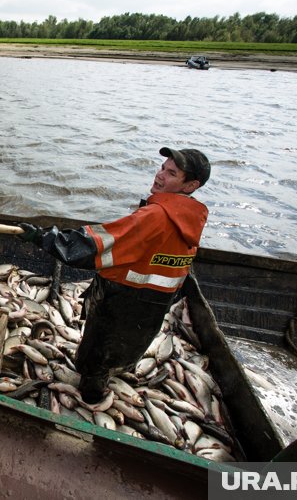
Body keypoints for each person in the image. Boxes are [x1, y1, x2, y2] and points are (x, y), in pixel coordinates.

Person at [17, 147, 210, 403]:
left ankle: (91, 399)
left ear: (190, 185)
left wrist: (44, 238)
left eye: (171, 173)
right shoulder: (192, 218)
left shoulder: (155, 216)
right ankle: (118, 369)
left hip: (121, 303)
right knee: (126, 348)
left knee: (96, 357)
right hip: (154, 306)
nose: (160, 175)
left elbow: (94, 247)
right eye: (163, 167)